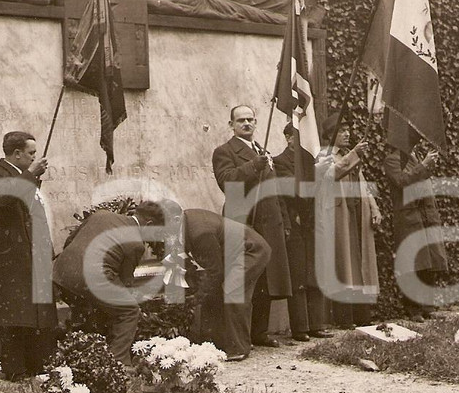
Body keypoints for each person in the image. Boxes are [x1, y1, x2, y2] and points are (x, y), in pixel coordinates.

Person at [133, 201, 271, 362]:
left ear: (175, 220)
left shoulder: (200, 233)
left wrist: (197, 296)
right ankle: (221, 343)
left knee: (232, 292)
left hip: (251, 251)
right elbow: (182, 260)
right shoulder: (181, 224)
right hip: (232, 255)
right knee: (218, 291)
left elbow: (215, 272)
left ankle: (239, 348)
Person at [0, 131, 58, 381]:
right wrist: (31, 174)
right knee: (14, 317)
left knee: (35, 315)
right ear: (17, 154)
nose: (35, 157)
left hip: (33, 257)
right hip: (10, 261)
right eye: (31, 153)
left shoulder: (25, 177)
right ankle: (16, 371)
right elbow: (3, 200)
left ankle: (37, 367)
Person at [212, 105, 293, 348]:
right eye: (241, 120)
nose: (246, 124)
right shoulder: (224, 151)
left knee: (267, 279)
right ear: (231, 125)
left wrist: (284, 221)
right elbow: (227, 181)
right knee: (246, 279)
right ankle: (242, 337)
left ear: (256, 123)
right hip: (244, 221)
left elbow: (274, 189)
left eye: (250, 119)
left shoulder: (263, 151)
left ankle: (260, 332)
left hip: (270, 222)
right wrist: (253, 166)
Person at [52, 208, 147, 366]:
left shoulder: (101, 214)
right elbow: (125, 283)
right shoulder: (136, 243)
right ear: (149, 224)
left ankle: (80, 358)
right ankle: (118, 364)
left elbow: (69, 241)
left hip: (60, 274)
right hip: (89, 278)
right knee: (130, 311)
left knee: (85, 312)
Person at [314, 113, 381, 328]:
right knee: (343, 263)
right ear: (330, 135)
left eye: (348, 130)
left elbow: (362, 183)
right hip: (338, 215)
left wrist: (374, 207)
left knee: (360, 263)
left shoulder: (348, 154)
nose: (347, 133)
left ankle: (362, 315)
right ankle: (344, 317)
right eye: (342, 130)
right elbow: (331, 175)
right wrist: (354, 154)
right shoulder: (324, 156)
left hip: (356, 214)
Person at [272, 123, 334, 342]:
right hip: (295, 221)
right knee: (298, 275)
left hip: (313, 221)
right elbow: (292, 189)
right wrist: (315, 174)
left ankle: (317, 324)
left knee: (315, 273)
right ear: (288, 138)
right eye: (296, 137)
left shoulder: (310, 161)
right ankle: (300, 328)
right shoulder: (280, 161)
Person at [383, 138, 449, 321]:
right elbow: (403, 181)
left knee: (429, 261)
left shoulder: (416, 156)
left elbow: (421, 178)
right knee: (413, 263)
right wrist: (424, 164)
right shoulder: (392, 160)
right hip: (409, 216)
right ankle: (413, 309)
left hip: (425, 215)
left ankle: (427, 305)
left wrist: (428, 165)